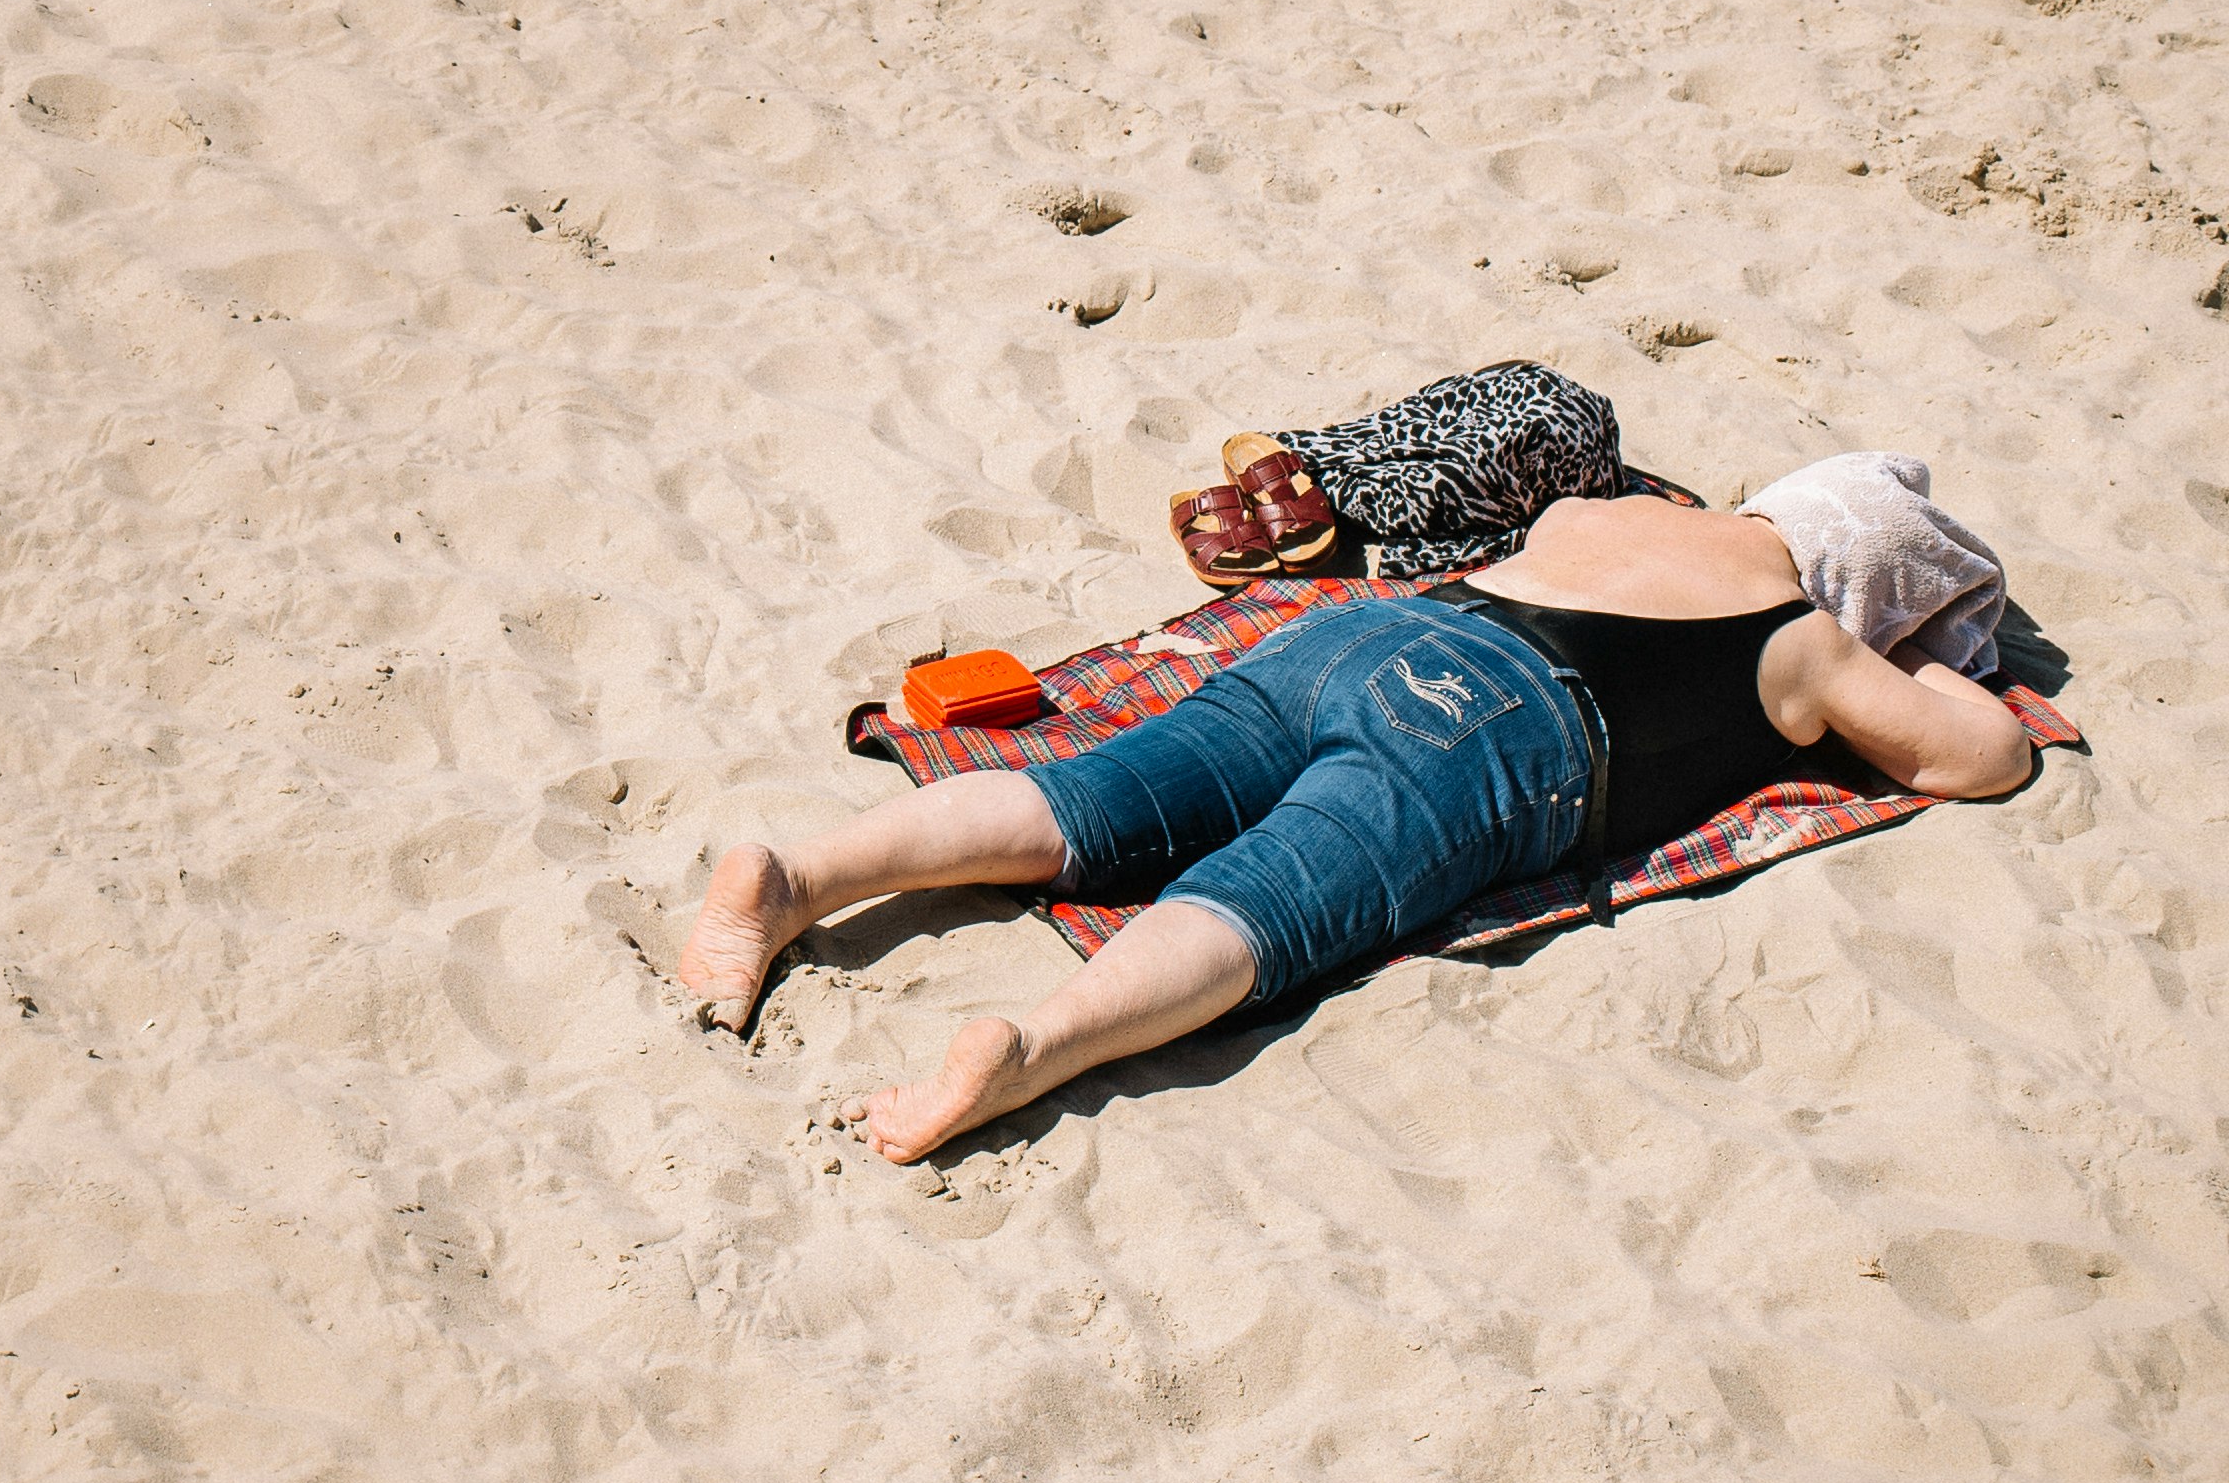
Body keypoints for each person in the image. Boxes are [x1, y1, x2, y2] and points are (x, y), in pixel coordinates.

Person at [674, 482, 2037, 1161]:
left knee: (1084, 798)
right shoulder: (1801, 640)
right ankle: (1040, 1046)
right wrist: (1904, 667)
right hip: (1497, 726)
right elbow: (1980, 763)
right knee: (1278, 894)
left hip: (1371, 636)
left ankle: (797, 877)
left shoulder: (1609, 509)